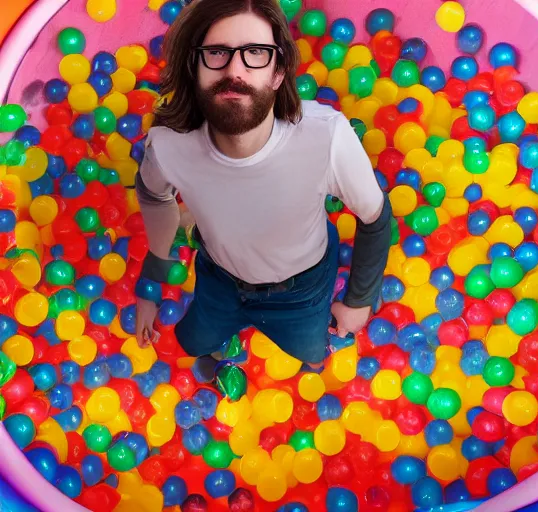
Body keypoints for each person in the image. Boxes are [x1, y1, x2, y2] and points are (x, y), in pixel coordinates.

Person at [135, 0, 392, 376]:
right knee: (193, 341)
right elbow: (154, 197)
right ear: (195, 68)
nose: (234, 70)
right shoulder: (168, 145)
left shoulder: (326, 136)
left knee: (312, 351)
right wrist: (150, 284)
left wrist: (359, 300)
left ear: (278, 72)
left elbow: (376, 216)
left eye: (255, 52)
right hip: (218, 279)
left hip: (301, 291)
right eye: (217, 52)